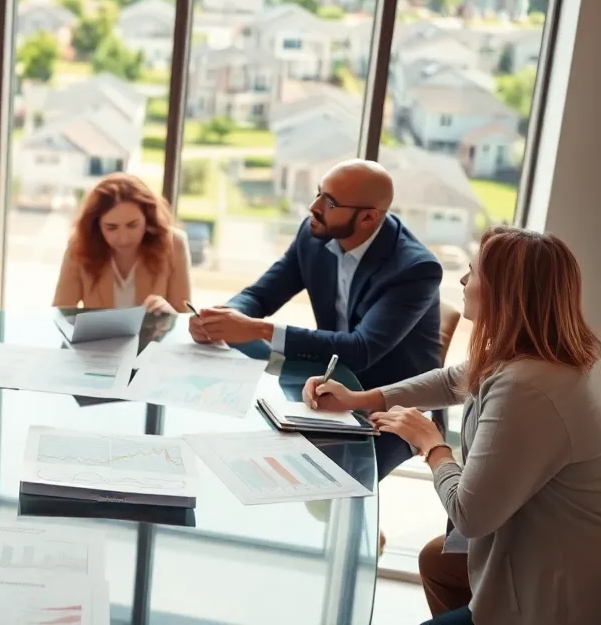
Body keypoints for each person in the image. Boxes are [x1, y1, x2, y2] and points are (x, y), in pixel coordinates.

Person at [305, 227, 601, 625]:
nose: (462, 280)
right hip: (535, 547)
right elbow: (449, 381)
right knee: (436, 560)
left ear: (504, 292)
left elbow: (470, 515)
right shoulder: (524, 355)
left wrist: (431, 444)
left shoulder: (527, 387)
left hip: (552, 594)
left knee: (441, 562)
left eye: (473, 272)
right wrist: (359, 399)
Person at [190, 158, 443, 479]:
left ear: (368, 217)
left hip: (391, 405)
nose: (314, 207)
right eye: (318, 193)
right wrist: (221, 318)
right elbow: (261, 295)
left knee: (333, 480)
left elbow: (361, 349)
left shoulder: (415, 269)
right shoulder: (314, 234)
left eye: (330, 202)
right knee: (246, 452)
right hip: (325, 384)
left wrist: (257, 329)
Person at [52, 172, 190, 314]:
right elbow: (61, 312)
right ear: (96, 226)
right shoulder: (80, 245)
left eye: (133, 225)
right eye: (111, 228)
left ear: (148, 219)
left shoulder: (174, 244)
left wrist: (169, 314)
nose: (124, 239)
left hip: (156, 330)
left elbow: (184, 313)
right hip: (99, 330)